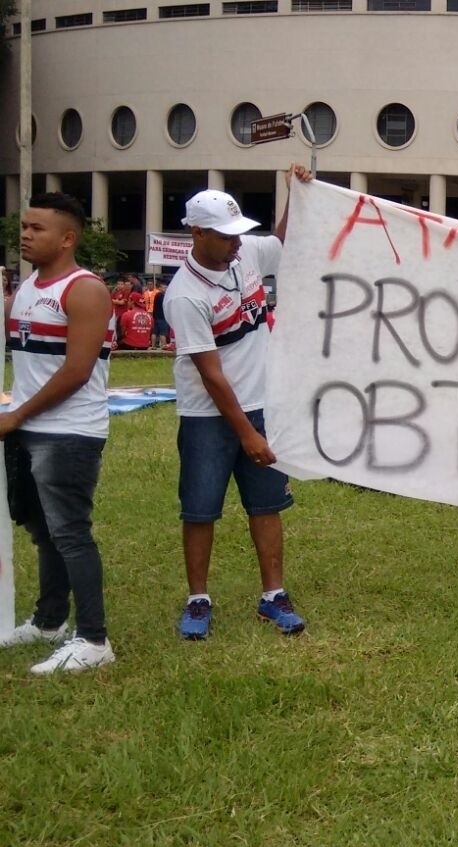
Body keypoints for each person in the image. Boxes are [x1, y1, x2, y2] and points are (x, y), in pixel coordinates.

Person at [166, 166, 313, 641]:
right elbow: (211, 375)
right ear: (197, 232)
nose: (236, 243)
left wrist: (298, 195)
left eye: (237, 234)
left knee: (266, 503)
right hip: (208, 415)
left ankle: (273, 596)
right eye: (225, 236)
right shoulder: (185, 296)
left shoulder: (244, 252)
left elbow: (283, 243)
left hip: (261, 404)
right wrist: (247, 433)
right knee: (201, 508)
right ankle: (198, 599)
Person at [0, 192, 118, 674]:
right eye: (23, 227)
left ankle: (94, 639)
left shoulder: (85, 289)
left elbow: (76, 371)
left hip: (68, 431)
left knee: (70, 532)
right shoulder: (29, 284)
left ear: (68, 238)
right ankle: (49, 621)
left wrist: (16, 415)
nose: (25, 235)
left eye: (37, 228)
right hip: (27, 426)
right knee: (39, 528)